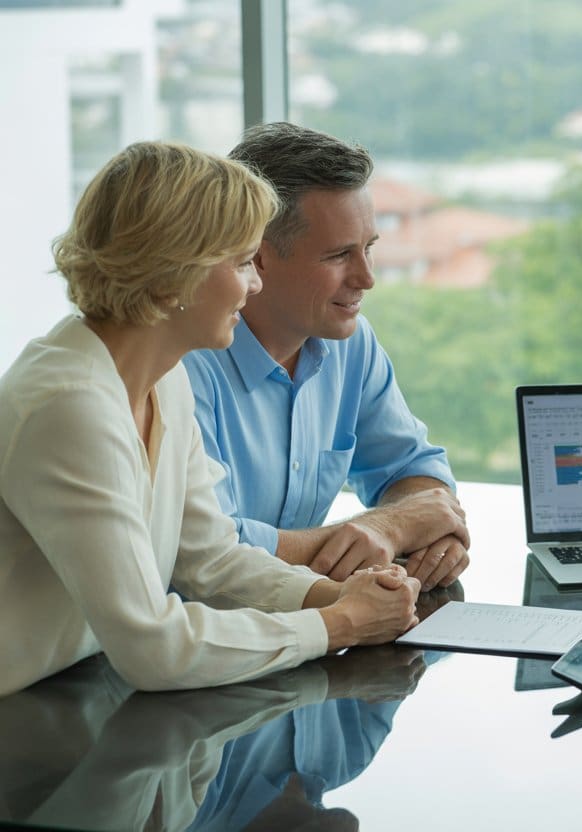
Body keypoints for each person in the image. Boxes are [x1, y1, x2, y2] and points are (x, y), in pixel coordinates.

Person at [0, 141, 422, 698]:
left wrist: (334, 594)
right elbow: (152, 647)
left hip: (73, 693)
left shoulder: (161, 379)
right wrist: (339, 624)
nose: (255, 285)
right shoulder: (70, 404)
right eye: (243, 262)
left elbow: (211, 560)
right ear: (175, 273)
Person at [182, 122, 469, 591]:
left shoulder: (349, 342)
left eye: (368, 249)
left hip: (305, 626)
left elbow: (413, 471)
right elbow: (213, 553)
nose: (367, 278)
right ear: (256, 257)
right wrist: (391, 528)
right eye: (339, 255)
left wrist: (428, 529)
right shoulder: (182, 361)